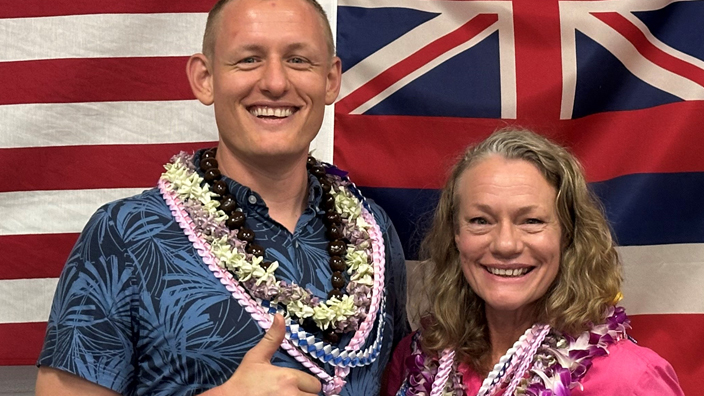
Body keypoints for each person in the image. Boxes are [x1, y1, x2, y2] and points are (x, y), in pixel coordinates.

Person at [35, 0, 409, 395]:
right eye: (248, 60)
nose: (276, 83)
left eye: (298, 60)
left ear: (331, 79)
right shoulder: (124, 235)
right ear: (205, 78)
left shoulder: (372, 234)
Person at [384, 129, 684, 396]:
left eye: (531, 221)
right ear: (455, 235)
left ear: (568, 236)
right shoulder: (417, 360)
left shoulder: (630, 380)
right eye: (480, 220)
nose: (505, 244)